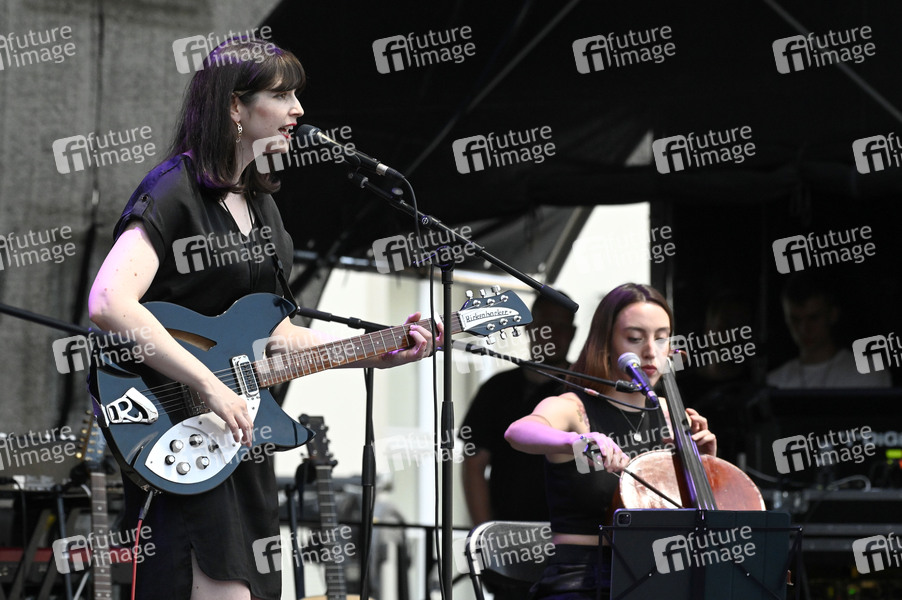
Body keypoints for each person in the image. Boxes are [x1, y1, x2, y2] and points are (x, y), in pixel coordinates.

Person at [87, 38, 441, 600]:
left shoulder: (263, 207)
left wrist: (375, 352)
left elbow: (277, 337)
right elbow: (109, 302)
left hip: (241, 440)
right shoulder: (175, 189)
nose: (298, 109)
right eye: (282, 95)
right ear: (235, 106)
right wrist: (208, 384)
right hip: (180, 428)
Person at [504, 283, 716, 599]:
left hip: (655, 577)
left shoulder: (671, 415)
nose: (650, 351)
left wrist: (707, 465)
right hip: (583, 580)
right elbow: (518, 431)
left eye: (661, 338)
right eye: (635, 338)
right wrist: (576, 440)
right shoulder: (574, 408)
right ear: (606, 343)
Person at [460, 294, 576, 600]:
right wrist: (487, 537)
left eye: (562, 326)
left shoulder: (583, 391)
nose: (553, 334)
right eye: (546, 324)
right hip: (509, 541)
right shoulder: (496, 389)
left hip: (570, 543)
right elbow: (473, 465)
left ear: (574, 332)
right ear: (530, 328)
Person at [767, 273, 890, 388]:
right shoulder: (774, 382)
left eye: (813, 318)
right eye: (795, 320)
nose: (804, 329)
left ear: (832, 315)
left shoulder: (868, 373)